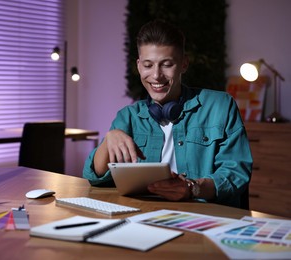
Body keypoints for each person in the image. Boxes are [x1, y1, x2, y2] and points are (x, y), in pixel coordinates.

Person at [82, 20, 252, 209]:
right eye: (148, 65)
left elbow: (236, 171)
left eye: (166, 64)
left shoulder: (221, 105)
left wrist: (192, 188)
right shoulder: (127, 116)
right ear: (139, 66)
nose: (156, 76)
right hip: (145, 216)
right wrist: (109, 139)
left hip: (206, 217)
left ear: (184, 64)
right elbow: (95, 175)